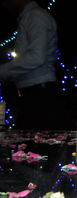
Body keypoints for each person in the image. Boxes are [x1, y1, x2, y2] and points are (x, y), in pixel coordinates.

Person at [0, 0, 61, 130]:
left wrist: (3, 71)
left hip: (39, 93)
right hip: (34, 92)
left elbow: (36, 58)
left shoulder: (35, 16)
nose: (5, 4)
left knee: (34, 144)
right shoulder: (29, 17)